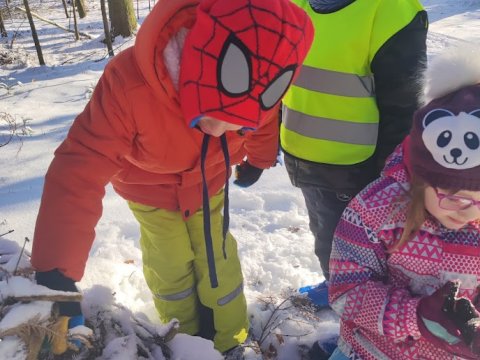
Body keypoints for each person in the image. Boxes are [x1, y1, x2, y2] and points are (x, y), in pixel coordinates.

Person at [29, 0, 314, 356]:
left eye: (240, 125)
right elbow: (79, 167)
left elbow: (266, 119)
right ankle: (185, 341)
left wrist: (257, 157)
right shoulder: (129, 85)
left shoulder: (261, 81)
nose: (225, 130)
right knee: (171, 266)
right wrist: (57, 273)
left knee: (218, 261)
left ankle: (231, 341)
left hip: (209, 185)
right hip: (150, 192)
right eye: (220, 115)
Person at [328, 47, 480, 359]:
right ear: (421, 177)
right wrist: (418, 317)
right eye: (454, 198)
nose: (470, 212)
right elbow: (346, 291)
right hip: (372, 352)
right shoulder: (375, 210)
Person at [280, 0, 428, 307]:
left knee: (361, 253)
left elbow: (401, 104)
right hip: (303, 152)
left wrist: (392, 174)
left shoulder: (391, 11)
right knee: (325, 233)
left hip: (357, 166)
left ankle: (359, 324)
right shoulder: (295, 3)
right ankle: (336, 286)